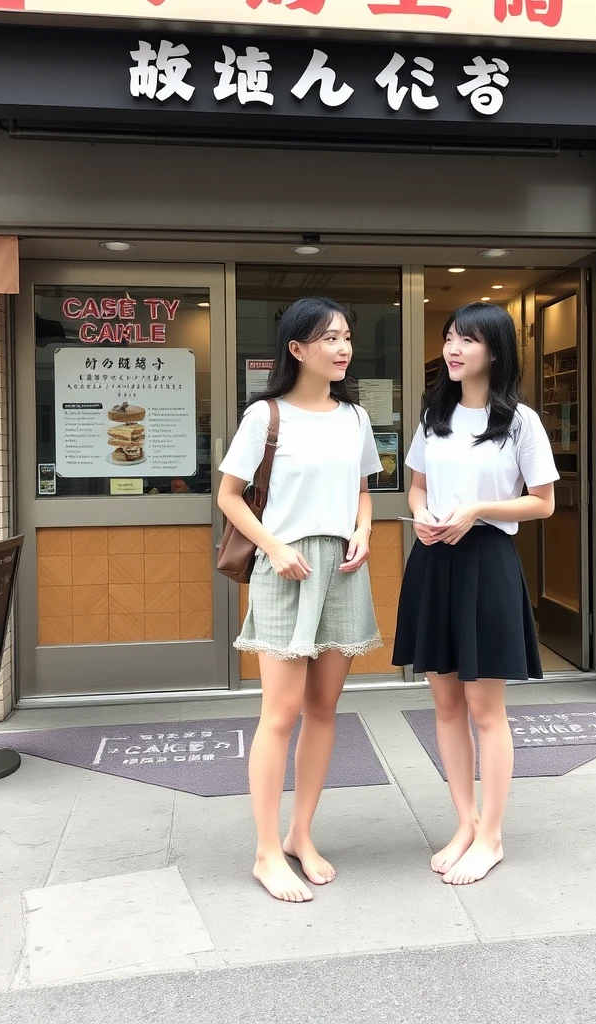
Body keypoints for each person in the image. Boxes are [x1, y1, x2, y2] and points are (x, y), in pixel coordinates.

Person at [217, 296, 383, 904]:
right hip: (284, 569)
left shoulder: (355, 418)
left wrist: (364, 530)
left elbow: (363, 490)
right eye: (329, 338)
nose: (342, 348)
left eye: (346, 337)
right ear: (296, 349)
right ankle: (265, 852)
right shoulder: (265, 416)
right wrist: (275, 547)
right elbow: (229, 496)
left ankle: (300, 834)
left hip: (341, 567)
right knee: (279, 714)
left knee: (323, 709)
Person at [392, 302, 558, 886]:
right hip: (434, 560)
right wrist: (420, 516)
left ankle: (491, 835)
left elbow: (543, 502)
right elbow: (415, 487)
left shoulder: (520, 422)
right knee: (444, 705)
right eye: (449, 338)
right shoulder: (433, 414)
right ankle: (464, 821)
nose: (453, 348)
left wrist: (479, 510)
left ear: (495, 349)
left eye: (468, 339)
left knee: (486, 710)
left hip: (486, 560)